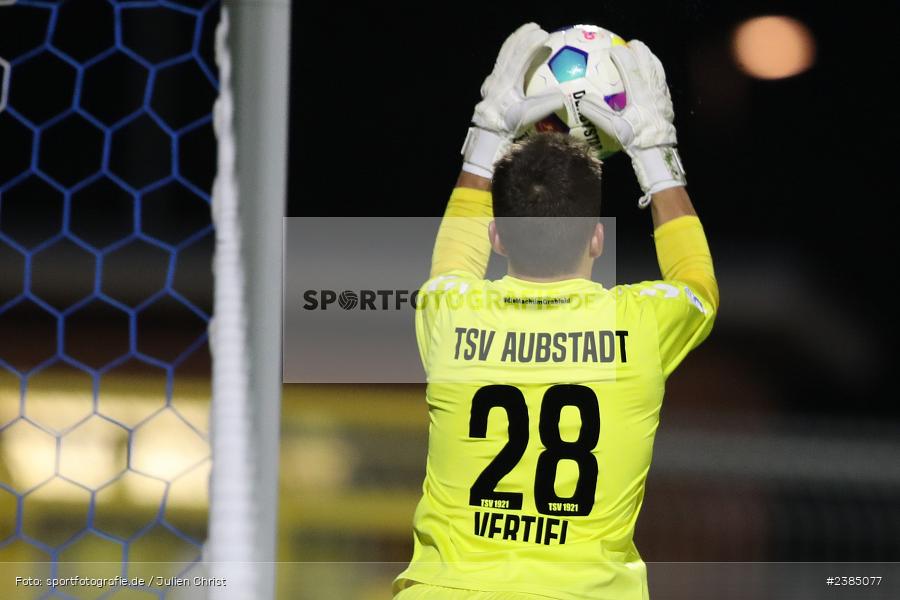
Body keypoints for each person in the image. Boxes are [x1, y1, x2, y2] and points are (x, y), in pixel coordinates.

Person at [394, 23, 718, 600]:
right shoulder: (638, 325)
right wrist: (654, 152)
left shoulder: (451, 314)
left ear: (497, 237)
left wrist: (487, 132)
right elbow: (697, 286)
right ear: (597, 239)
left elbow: (453, 262)